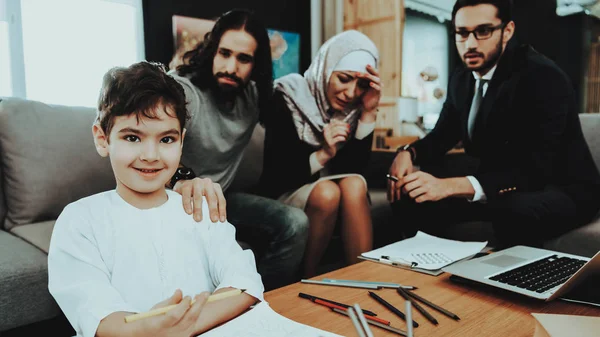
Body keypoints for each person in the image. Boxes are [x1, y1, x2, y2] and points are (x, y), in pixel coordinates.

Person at [47, 62, 263, 337]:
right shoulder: (79, 220)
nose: (151, 155)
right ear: (103, 139)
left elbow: (245, 282)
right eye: (133, 137)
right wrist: (153, 328)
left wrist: (186, 326)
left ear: (182, 141)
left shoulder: (197, 207)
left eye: (166, 140)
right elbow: (98, 317)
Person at [388, 0, 600, 247]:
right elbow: (442, 135)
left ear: (507, 31)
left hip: (563, 188)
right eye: (462, 33)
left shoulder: (541, 76)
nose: (470, 44)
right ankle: (424, 271)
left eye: (483, 31)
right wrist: (408, 153)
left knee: (514, 209)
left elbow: (535, 168)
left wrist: (451, 186)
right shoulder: (461, 78)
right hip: (502, 186)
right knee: (415, 194)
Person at [170, 9, 309, 290]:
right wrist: (182, 178)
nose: (231, 67)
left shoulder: (255, 97)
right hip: (176, 202)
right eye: (224, 53)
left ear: (255, 65)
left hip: (223, 200)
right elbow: (150, 138)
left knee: (295, 222)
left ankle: (264, 305)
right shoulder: (182, 92)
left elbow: (291, 148)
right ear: (212, 51)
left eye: (243, 59)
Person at [260, 30, 381, 277]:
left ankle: (364, 279)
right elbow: (277, 174)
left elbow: (356, 171)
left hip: (326, 186)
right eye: (344, 79)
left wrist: (368, 113)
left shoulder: (355, 108)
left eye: (362, 84)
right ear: (326, 68)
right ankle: (308, 278)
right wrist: (325, 153)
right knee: (328, 192)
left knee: (355, 184)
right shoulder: (287, 94)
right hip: (284, 187)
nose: (351, 93)